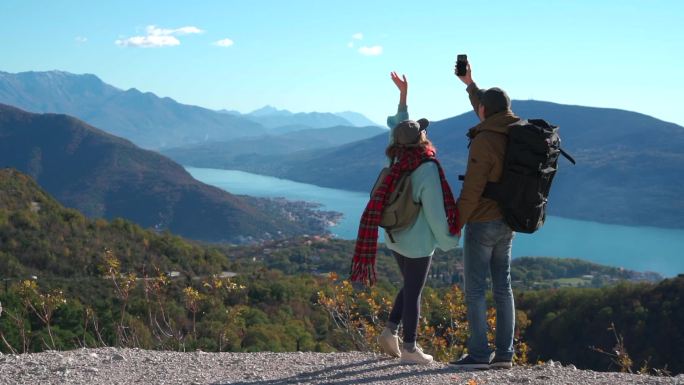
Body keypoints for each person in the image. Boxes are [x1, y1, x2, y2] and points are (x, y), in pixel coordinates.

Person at [350, 72, 460, 365]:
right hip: (418, 242)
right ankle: (410, 349)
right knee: (414, 291)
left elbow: (398, 129)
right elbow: (437, 215)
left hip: (394, 235)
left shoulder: (395, 159)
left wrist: (403, 97)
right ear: (422, 139)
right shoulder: (426, 168)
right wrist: (450, 240)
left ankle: (389, 332)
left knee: (409, 284)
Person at [449, 60, 521, 370]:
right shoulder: (516, 133)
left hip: (482, 222)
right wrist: (470, 83)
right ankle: (504, 354)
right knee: (503, 287)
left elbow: (473, 189)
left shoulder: (485, 139)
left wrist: (456, 221)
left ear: (484, 112)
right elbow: (485, 105)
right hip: (509, 220)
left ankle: (479, 354)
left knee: (476, 289)